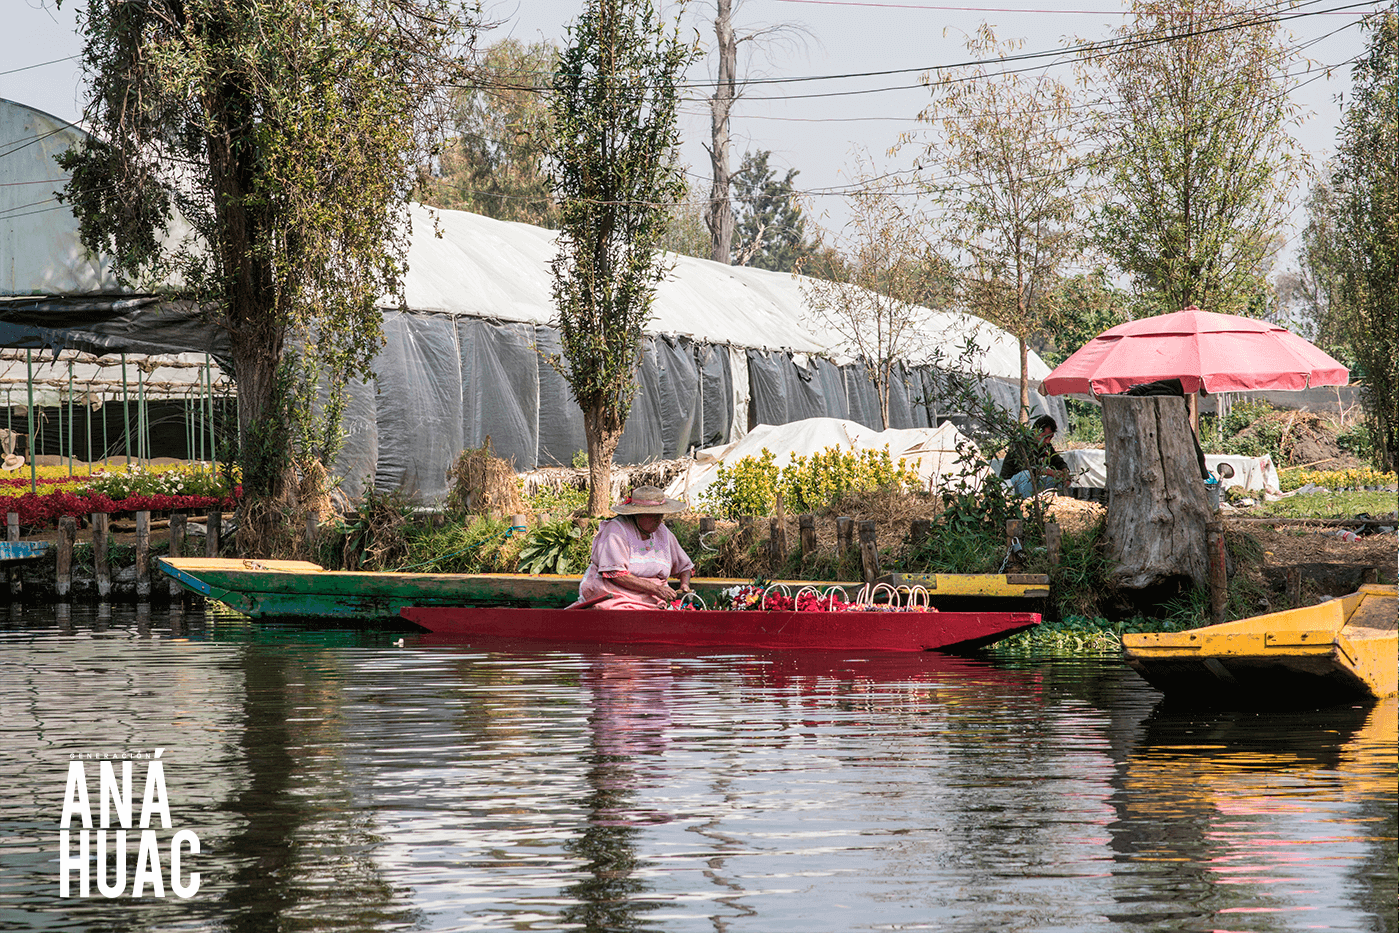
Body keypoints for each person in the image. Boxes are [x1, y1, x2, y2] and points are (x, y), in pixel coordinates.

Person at [574, 485, 695, 610]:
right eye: (653, 515)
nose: (659, 520)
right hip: (616, 593)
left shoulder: (662, 532)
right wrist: (656, 589)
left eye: (661, 515)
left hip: (654, 597)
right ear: (638, 514)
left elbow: (685, 567)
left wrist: (684, 586)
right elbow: (616, 574)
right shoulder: (616, 530)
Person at [1000, 414, 1070, 498]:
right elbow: (1028, 467)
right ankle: (1026, 504)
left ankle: (1051, 502)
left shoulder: (1045, 445)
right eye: (1045, 437)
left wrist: (1065, 473)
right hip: (1010, 484)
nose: (1048, 441)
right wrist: (1051, 472)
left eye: (1050, 438)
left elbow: (1057, 460)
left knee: (1055, 480)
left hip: (1033, 482)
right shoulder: (1021, 442)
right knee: (1026, 475)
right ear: (1035, 432)